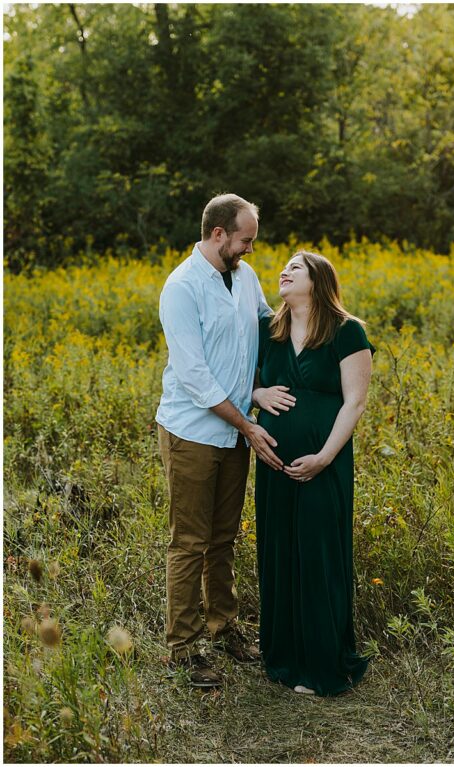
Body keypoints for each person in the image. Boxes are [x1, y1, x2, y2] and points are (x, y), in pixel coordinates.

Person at [156, 193, 283, 688]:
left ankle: (224, 625)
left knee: (224, 538)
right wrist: (248, 423)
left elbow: (266, 327)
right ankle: (183, 649)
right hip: (193, 431)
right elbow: (196, 377)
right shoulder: (182, 287)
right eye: (246, 239)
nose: (251, 249)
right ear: (218, 235)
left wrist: (323, 315)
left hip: (233, 431)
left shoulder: (244, 277)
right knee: (190, 542)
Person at [251, 250, 373, 696]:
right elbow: (246, 382)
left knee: (318, 554)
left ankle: (322, 663)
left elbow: (354, 402)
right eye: (283, 267)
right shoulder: (270, 331)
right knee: (279, 551)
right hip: (273, 462)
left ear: (318, 279)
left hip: (325, 463)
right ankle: (283, 659)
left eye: (295, 268)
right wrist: (259, 393)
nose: (283, 272)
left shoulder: (347, 331)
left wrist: (323, 457)